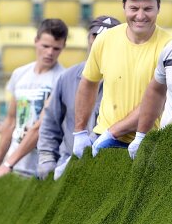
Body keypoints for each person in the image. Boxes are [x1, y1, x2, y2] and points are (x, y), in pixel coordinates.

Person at [73, 0, 172, 157]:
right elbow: (88, 82)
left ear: (158, 8)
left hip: (146, 141)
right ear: (124, 7)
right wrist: (80, 132)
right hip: (103, 138)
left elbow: (158, 100)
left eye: (148, 9)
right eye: (134, 8)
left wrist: (113, 132)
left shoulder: (170, 47)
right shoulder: (105, 39)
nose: (140, 15)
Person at [0, 18, 68, 180]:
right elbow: (10, 122)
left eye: (56, 48)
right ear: (36, 41)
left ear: (63, 47)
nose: (50, 53)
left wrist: (8, 163)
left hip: (43, 167)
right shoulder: (19, 74)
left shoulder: (62, 79)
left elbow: (41, 126)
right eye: (45, 46)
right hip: (15, 165)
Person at [37, 16, 120, 179]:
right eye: (96, 36)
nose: (100, 42)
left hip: (109, 167)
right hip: (68, 164)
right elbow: (50, 123)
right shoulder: (66, 78)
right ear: (88, 38)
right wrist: (47, 159)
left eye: (108, 37)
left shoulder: (130, 80)